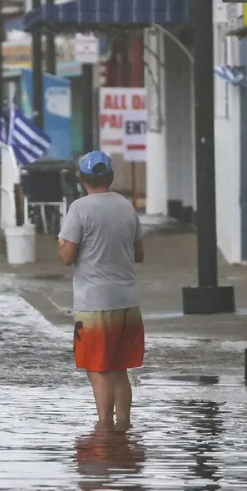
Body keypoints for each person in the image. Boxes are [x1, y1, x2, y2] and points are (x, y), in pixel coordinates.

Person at [58, 151, 145, 432]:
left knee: (98, 370)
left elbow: (67, 256)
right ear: (110, 176)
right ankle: (124, 427)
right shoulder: (125, 206)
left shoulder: (79, 209)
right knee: (121, 369)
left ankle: (104, 431)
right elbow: (139, 253)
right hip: (127, 302)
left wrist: (61, 243)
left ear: (82, 179)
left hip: (94, 304)